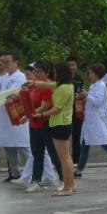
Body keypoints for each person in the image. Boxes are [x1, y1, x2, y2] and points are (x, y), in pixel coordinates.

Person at [76, 64, 107, 178]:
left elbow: (97, 102)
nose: (89, 75)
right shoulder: (93, 86)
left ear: (95, 74)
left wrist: (87, 96)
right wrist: (84, 96)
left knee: (105, 144)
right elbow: (91, 100)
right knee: (85, 144)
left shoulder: (101, 85)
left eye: (90, 73)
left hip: (98, 121)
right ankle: (79, 170)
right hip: (90, 121)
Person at [24, 63, 63, 193]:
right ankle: (35, 181)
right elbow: (26, 100)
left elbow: (44, 107)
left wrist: (28, 115)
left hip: (47, 124)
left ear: (47, 73)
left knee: (54, 154)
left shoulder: (49, 86)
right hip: (34, 124)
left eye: (41, 71)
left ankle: (63, 180)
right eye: (36, 71)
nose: (37, 74)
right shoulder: (33, 85)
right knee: (37, 154)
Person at [0, 52, 29, 181]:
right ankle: (14, 173)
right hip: (5, 117)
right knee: (9, 146)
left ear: (16, 62)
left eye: (8, 62)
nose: (5, 64)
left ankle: (35, 171)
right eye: (4, 62)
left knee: (22, 146)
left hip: (16, 116)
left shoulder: (21, 77)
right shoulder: (5, 76)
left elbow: (11, 92)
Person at [47, 61, 78, 197]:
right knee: (66, 157)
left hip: (60, 124)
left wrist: (40, 114)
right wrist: (34, 83)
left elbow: (56, 109)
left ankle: (67, 187)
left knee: (64, 158)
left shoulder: (64, 88)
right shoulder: (64, 85)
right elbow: (47, 85)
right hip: (62, 124)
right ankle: (71, 185)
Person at [67, 56, 85, 163]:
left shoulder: (79, 79)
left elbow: (81, 93)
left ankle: (76, 160)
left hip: (77, 111)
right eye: (69, 65)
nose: (71, 67)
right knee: (64, 136)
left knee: (77, 135)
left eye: (73, 65)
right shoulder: (62, 79)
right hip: (65, 111)